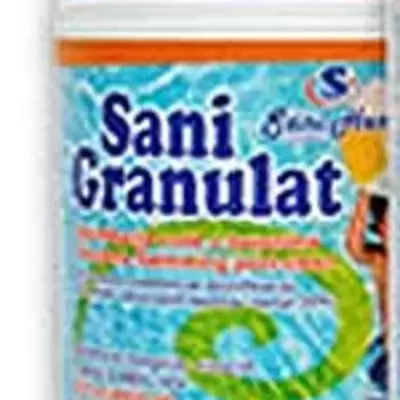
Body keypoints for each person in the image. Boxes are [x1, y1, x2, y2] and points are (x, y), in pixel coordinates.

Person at [346, 189, 388, 392]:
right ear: (380, 230)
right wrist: (364, 195)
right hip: (389, 350)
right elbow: (354, 247)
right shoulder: (382, 259)